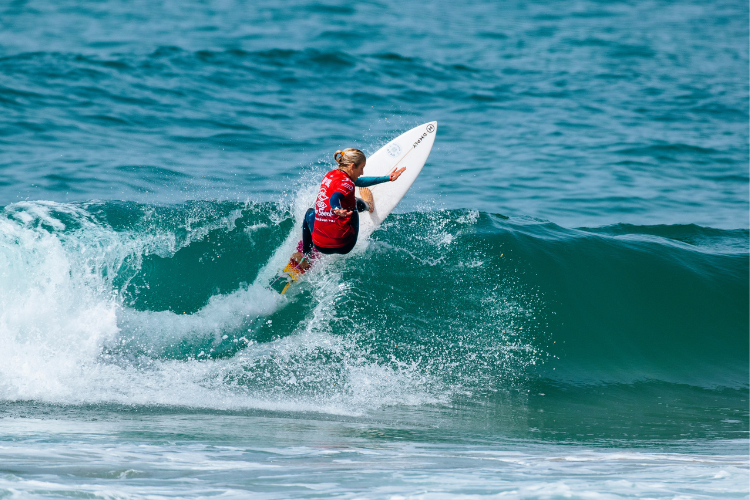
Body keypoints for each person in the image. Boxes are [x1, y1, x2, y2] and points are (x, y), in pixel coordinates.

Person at [292, 148, 405, 269]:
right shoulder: (348, 185)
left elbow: (357, 182)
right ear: (352, 166)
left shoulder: (329, 176)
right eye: (361, 168)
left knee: (310, 212)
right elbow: (335, 197)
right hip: (344, 245)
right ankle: (368, 205)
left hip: (319, 245)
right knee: (353, 203)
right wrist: (336, 208)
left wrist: (387, 178)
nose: (362, 172)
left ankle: (306, 255)